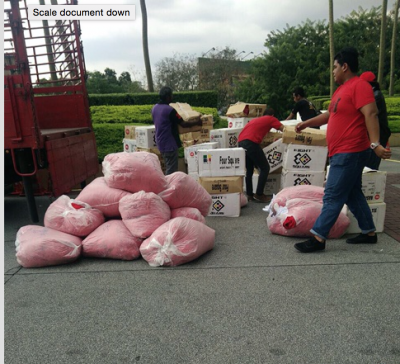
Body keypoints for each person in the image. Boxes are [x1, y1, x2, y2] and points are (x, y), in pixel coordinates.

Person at [293, 47, 391, 253]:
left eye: (335, 67)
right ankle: (369, 232)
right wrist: (306, 123)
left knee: (333, 194)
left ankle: (318, 237)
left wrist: (375, 144)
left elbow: (371, 114)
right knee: (352, 193)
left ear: (345, 66)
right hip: (342, 152)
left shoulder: (360, 86)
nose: (333, 71)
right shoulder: (341, 91)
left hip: (350, 151)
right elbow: (330, 115)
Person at [238, 108, 284, 203]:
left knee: (249, 170)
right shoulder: (271, 119)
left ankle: (250, 194)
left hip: (241, 142)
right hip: (251, 143)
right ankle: (259, 194)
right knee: (265, 168)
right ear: (272, 115)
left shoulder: (257, 120)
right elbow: (283, 129)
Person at [152, 86, 201, 175]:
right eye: (171, 95)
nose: (172, 97)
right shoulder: (170, 110)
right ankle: (169, 187)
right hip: (170, 145)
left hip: (161, 143)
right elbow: (183, 123)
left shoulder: (155, 108)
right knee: (171, 171)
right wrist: (197, 122)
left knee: (168, 166)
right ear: (167, 97)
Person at [359, 71, 391, 170]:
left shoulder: (375, 96)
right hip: (376, 138)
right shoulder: (375, 94)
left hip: (376, 139)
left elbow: (366, 113)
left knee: (369, 169)